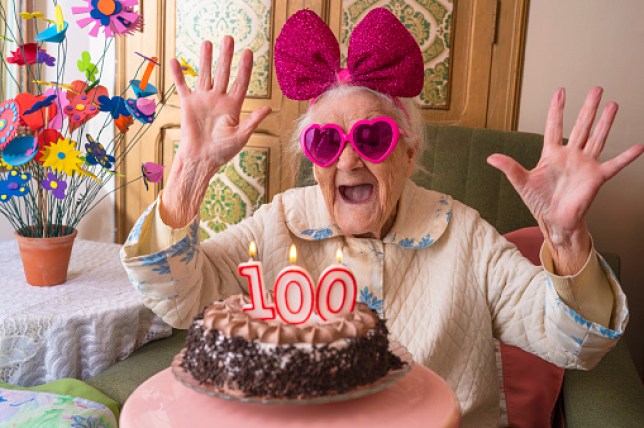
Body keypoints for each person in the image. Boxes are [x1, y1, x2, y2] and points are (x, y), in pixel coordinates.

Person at [121, 8, 644, 427]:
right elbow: (181, 300)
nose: (348, 160)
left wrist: (567, 237)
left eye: (372, 138)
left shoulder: (464, 235)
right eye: (327, 143)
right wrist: (189, 174)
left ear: (409, 152)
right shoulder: (280, 220)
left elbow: (576, 342)